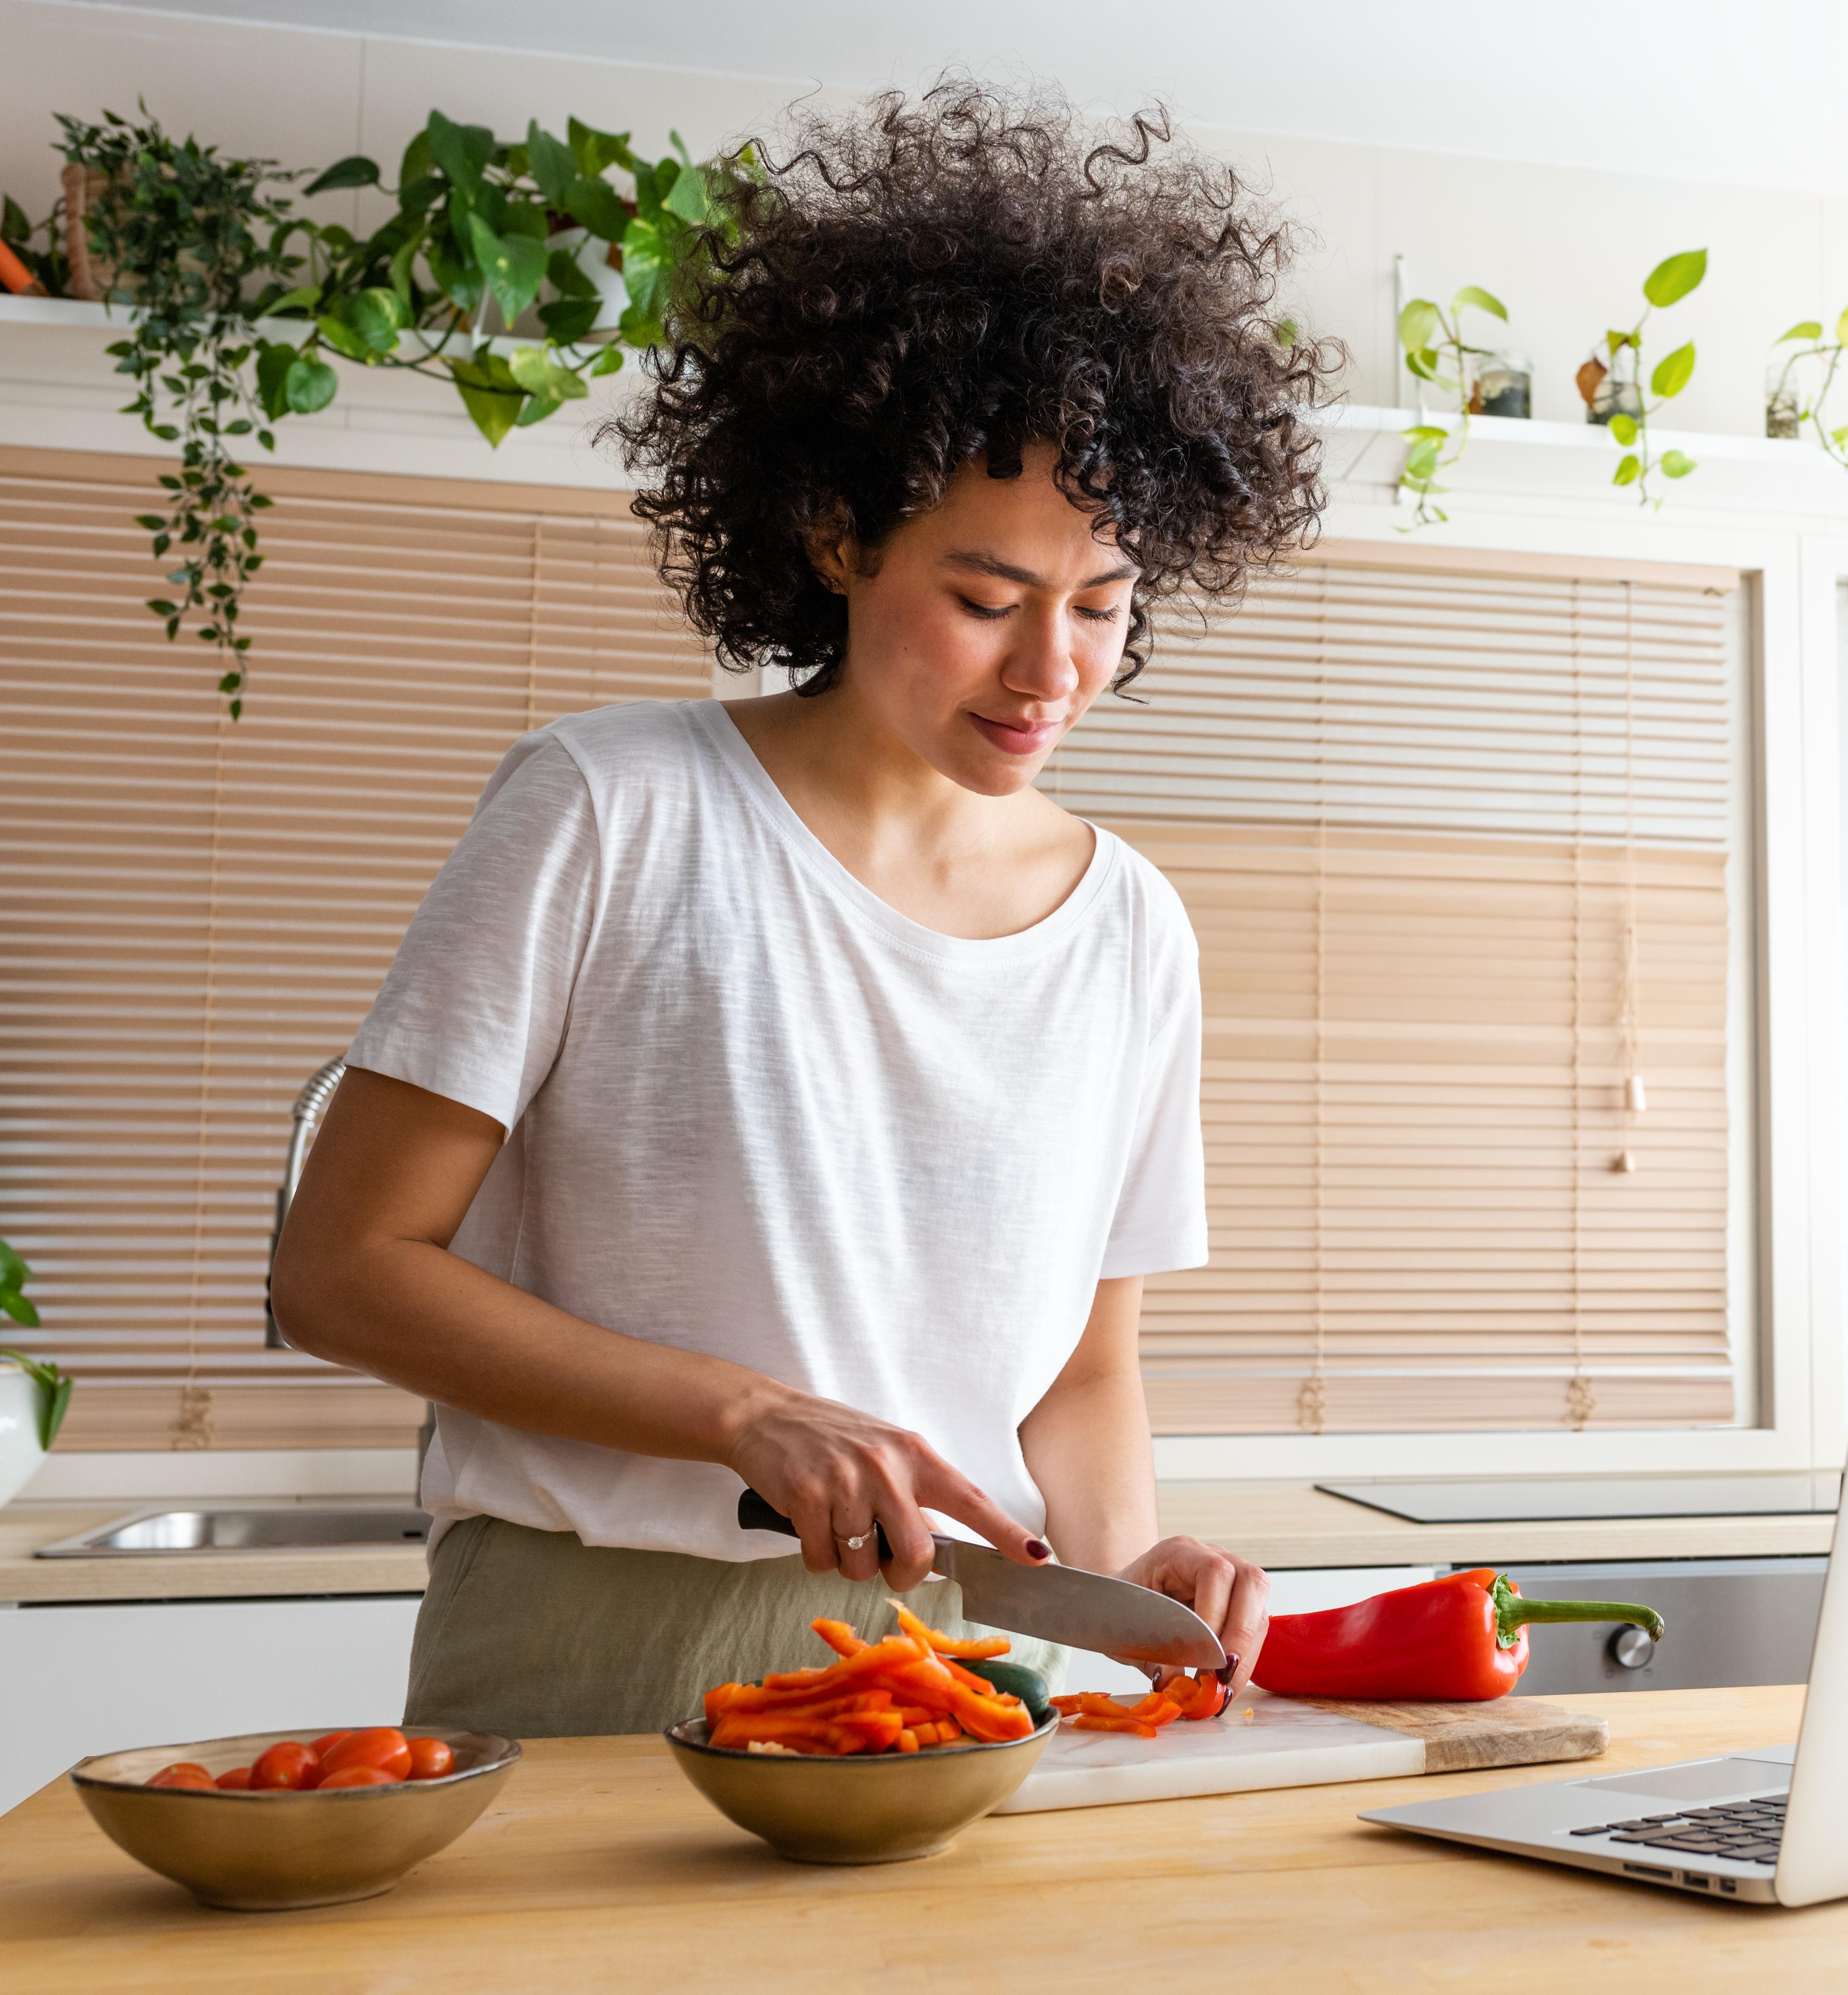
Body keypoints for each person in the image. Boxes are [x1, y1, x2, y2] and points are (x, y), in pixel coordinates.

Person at [270, 85, 1333, 1738]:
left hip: (974, 1671)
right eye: (987, 600)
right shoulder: (609, 810)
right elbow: (343, 1270)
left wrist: (1140, 1574)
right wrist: (744, 1416)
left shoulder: (1130, 930)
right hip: (596, 1645)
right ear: (835, 537)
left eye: (1104, 606)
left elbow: (1081, 1372)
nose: (1053, 671)